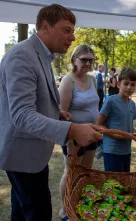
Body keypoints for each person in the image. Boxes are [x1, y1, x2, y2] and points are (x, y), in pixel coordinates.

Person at [0, 4, 102, 221]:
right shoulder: (22, 56)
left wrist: (55, 113)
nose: (73, 37)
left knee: (21, 213)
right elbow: (21, 115)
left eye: (73, 31)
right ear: (45, 26)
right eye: (67, 30)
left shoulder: (42, 56)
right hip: (22, 156)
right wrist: (72, 129)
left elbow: (33, 103)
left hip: (32, 154)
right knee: (38, 214)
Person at [58, 45, 99, 221]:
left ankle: (79, 203)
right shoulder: (69, 80)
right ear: (74, 59)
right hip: (73, 136)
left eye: (91, 60)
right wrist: (69, 139)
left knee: (86, 172)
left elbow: (95, 106)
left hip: (91, 134)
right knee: (70, 171)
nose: (88, 63)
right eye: (84, 59)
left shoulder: (93, 80)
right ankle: (65, 209)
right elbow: (61, 111)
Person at [96, 67, 136, 172]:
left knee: (124, 184)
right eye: (126, 83)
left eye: (133, 84)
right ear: (119, 84)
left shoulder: (132, 105)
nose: (129, 87)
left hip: (126, 151)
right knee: (113, 185)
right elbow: (98, 125)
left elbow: (129, 126)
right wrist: (116, 135)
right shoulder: (110, 101)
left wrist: (135, 133)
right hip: (112, 151)